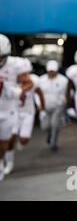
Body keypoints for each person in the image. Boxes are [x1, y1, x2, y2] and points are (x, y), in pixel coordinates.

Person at [0, 34, 33, 181]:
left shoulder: (16, 65)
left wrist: (16, 90)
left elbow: (28, 83)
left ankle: (4, 161)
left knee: (6, 142)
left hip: (8, 109)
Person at [4, 72, 44, 175]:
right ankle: (9, 163)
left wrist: (42, 105)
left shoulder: (33, 81)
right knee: (9, 140)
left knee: (24, 140)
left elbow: (39, 92)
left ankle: (20, 140)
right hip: (14, 113)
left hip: (28, 113)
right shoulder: (8, 83)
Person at [38, 60, 68, 152]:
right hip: (45, 106)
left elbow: (67, 93)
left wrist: (64, 102)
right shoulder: (41, 80)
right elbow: (37, 94)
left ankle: (53, 144)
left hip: (58, 106)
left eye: (53, 71)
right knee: (45, 126)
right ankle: (50, 134)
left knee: (55, 124)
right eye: (50, 71)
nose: (51, 72)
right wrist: (39, 105)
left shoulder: (63, 80)